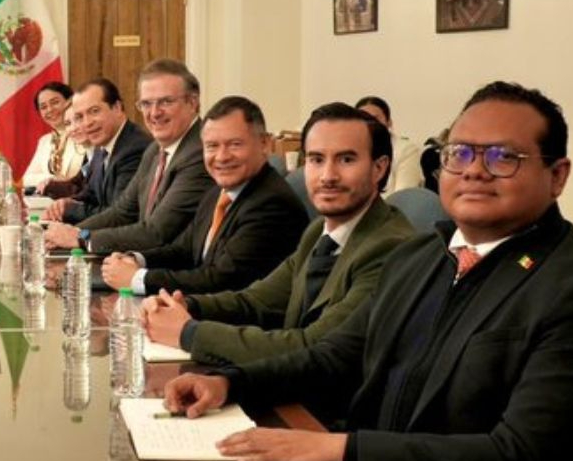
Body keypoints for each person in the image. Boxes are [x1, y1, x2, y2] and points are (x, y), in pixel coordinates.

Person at [163, 82, 573, 461]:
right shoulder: (421, 255)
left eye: (503, 157)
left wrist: (341, 450)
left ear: (558, 175)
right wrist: (228, 382)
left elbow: (518, 455)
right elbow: (334, 356)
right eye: (460, 153)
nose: (474, 171)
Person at [143, 103, 414, 376]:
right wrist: (185, 305)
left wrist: (189, 333)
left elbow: (314, 347)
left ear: (379, 168)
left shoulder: (389, 247)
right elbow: (256, 301)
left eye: (346, 160)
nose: (328, 176)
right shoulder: (319, 231)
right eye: (316, 160)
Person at [100, 96, 306, 295]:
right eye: (212, 146)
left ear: (265, 144)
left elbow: (221, 281)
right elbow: (184, 250)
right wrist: (135, 260)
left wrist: (138, 279)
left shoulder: (272, 204)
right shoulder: (217, 192)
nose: (222, 157)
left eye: (235, 144)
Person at [46, 59, 214, 254]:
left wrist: (82, 238)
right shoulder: (154, 150)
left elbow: (156, 232)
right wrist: (68, 234)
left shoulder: (201, 152)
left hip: (172, 267)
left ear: (192, 102)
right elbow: (122, 212)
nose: (154, 113)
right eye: (146, 104)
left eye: (166, 102)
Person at [42, 78, 150, 223]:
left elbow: (119, 215)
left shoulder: (134, 148)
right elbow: (90, 193)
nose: (87, 123)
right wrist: (65, 203)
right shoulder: (102, 144)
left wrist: (70, 213)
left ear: (117, 108)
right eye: (79, 117)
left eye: (94, 111)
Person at [21, 82, 84, 192]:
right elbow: (27, 179)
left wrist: (64, 181)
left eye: (55, 102)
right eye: (43, 107)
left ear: (70, 102)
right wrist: (52, 179)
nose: (49, 110)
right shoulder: (44, 141)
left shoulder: (84, 134)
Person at [355, 95, 423, 193]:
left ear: (389, 122)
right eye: (363, 119)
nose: (369, 124)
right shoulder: (350, 148)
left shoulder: (406, 149)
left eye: (375, 118)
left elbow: (404, 194)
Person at [40, 104, 93, 199]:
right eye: (68, 124)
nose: (73, 128)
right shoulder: (91, 154)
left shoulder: (102, 153)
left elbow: (87, 194)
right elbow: (77, 184)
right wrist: (52, 183)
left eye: (78, 119)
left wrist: (52, 186)